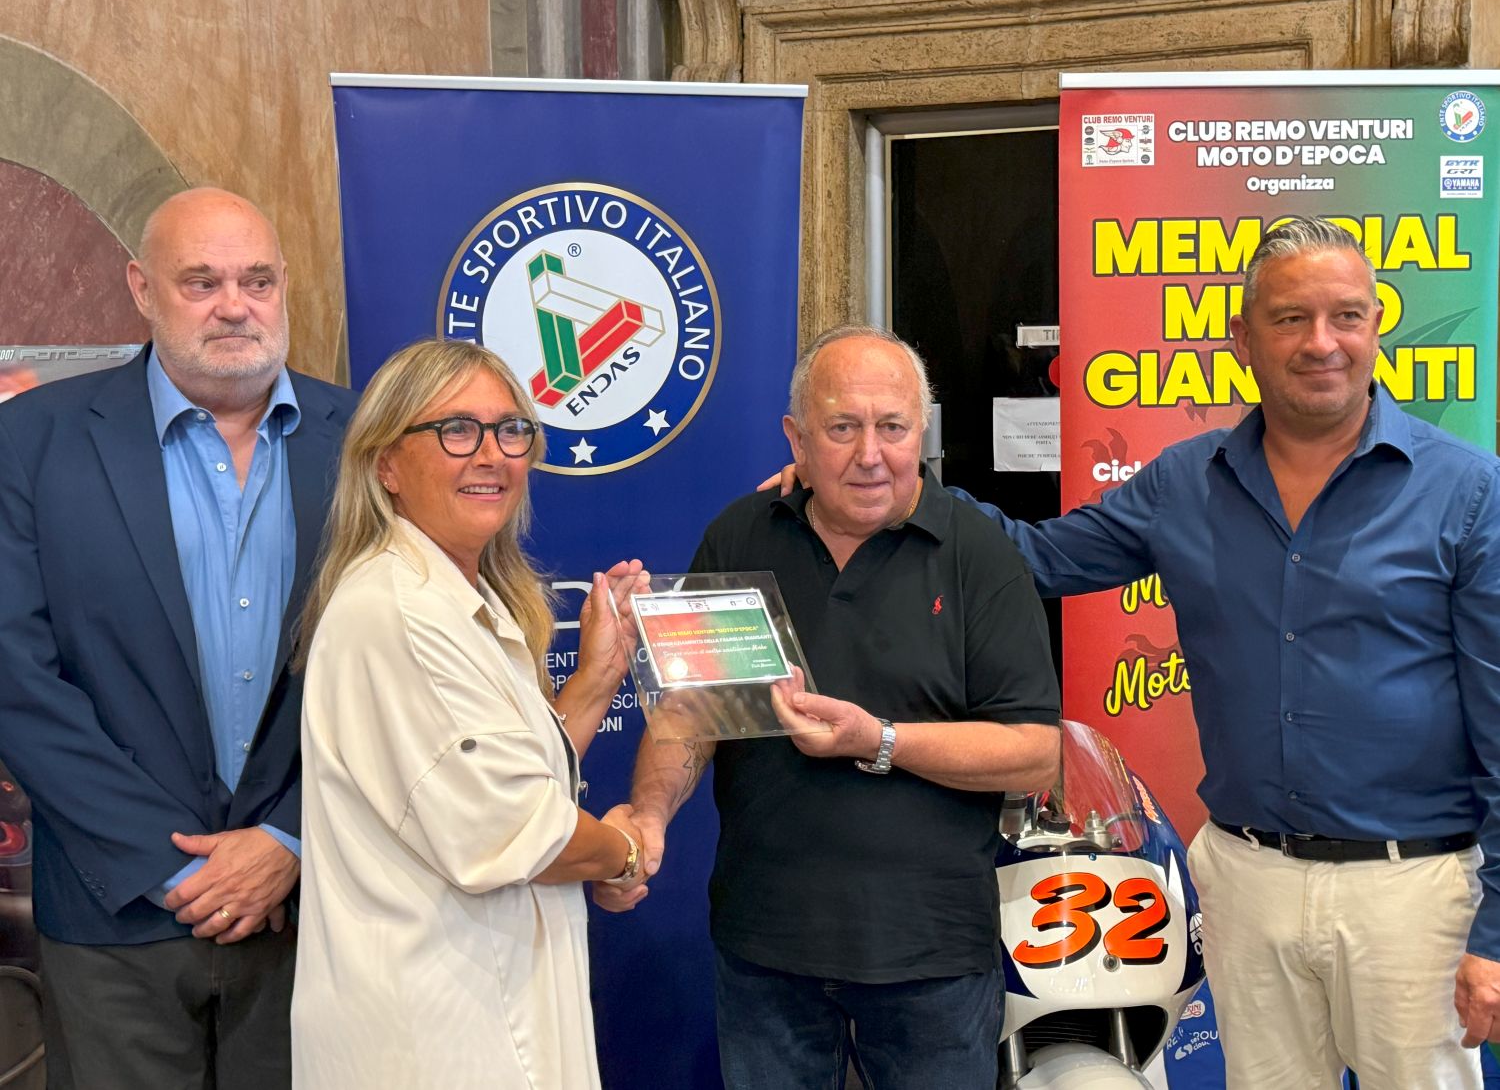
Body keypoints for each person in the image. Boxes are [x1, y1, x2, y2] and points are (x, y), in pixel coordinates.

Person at [772, 218, 1500, 1087]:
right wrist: (888, 485)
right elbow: (1032, 556)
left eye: (1346, 315)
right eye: (1290, 318)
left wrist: (1494, 935)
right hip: (1247, 882)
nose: (1321, 342)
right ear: (1242, 339)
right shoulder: (1186, 482)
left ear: (1376, 325)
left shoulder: (1466, 489)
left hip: (1413, 893)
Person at [596, 326, 1061, 1089]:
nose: (870, 454)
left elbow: (1034, 753)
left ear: (921, 431)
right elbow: (692, 710)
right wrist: (648, 814)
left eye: (893, 427)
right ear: (798, 439)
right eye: (842, 428)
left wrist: (879, 739)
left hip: (931, 961)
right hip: (764, 954)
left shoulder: (980, 554)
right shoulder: (742, 534)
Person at [0, 187, 357, 1088]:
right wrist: (165, 864)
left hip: (315, 905)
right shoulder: (29, 440)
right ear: (141, 289)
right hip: (115, 913)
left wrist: (289, 838)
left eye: (257, 281)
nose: (235, 306)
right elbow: (14, 675)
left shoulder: (367, 441)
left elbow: (397, 677)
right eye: (201, 282)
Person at [290, 339, 649, 1090]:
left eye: (510, 429)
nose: (491, 455)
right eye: (456, 430)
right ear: (385, 465)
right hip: (440, 1040)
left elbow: (508, 781)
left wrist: (595, 679)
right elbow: (523, 834)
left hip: (479, 1018)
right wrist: (625, 850)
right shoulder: (401, 614)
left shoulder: (459, 598)